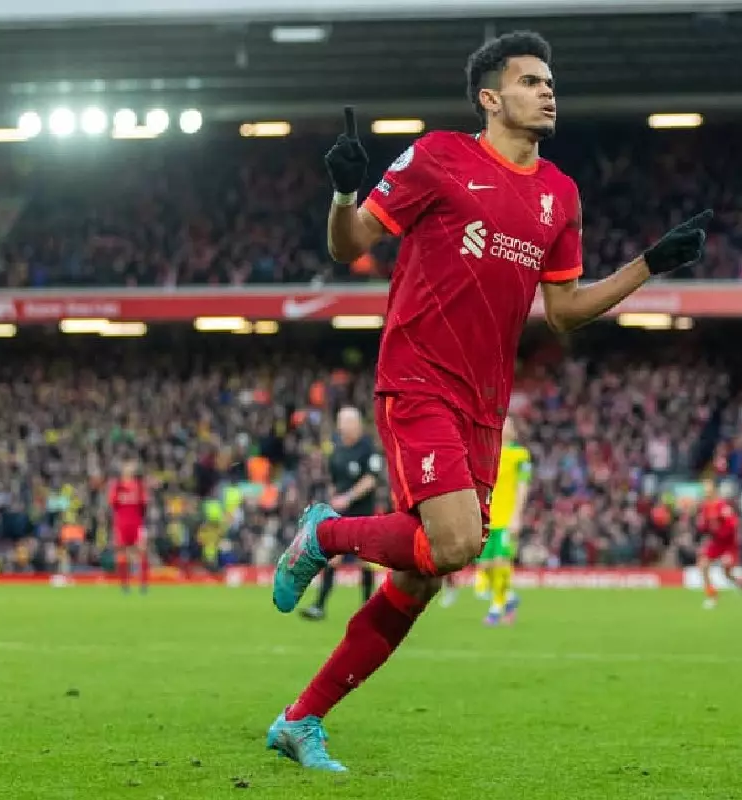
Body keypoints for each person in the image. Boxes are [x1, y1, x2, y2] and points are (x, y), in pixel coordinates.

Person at [264, 30, 714, 772]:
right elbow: (349, 246)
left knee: (421, 577)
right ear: (491, 97)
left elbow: (564, 311)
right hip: (418, 377)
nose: (548, 92)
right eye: (532, 81)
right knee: (456, 543)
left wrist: (648, 265)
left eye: (551, 83)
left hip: (485, 403)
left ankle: (300, 719)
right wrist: (345, 191)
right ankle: (327, 534)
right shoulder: (440, 155)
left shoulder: (559, 193)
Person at [300, 407, 382, 621]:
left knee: (364, 560)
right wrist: (333, 495)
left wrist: (348, 497)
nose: (341, 427)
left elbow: (371, 479)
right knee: (332, 558)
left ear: (356, 424)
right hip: (340, 513)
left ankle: (368, 609)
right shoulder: (336, 448)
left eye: (345, 422)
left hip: (363, 514)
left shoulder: (368, 448)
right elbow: (334, 480)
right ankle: (319, 606)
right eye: (340, 422)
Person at [476, 416, 532, 626]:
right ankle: (509, 598)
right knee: (486, 565)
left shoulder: (520, 455)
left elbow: (523, 487)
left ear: (514, 430)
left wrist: (517, 516)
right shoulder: (488, 453)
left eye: (507, 424)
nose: (503, 426)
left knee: (501, 561)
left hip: (507, 519)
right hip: (488, 518)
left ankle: (496, 608)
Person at [697, 480, 742, 609]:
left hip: (728, 543)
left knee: (726, 570)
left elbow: (733, 524)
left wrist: (720, 531)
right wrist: (703, 526)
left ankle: (739, 582)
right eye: (704, 490)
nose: (706, 493)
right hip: (716, 542)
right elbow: (704, 527)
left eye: (708, 490)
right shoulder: (705, 507)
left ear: (713, 491)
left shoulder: (722, 506)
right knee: (703, 565)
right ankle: (712, 595)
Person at [106, 458, 148, 594]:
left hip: (136, 523)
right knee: (122, 553)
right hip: (122, 524)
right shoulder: (117, 486)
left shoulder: (139, 486)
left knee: (141, 551)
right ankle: (125, 584)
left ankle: (143, 584)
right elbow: (112, 504)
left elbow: (144, 505)